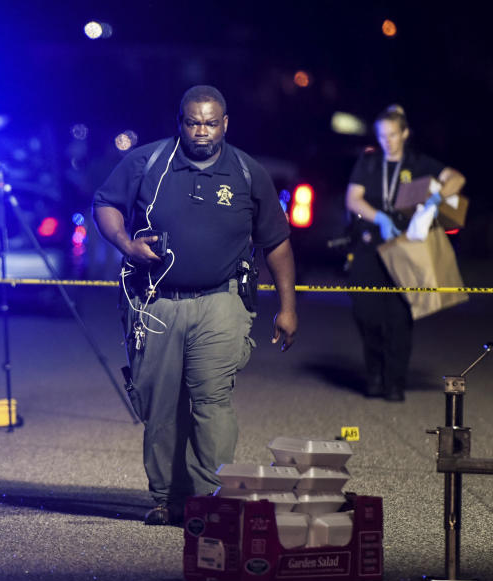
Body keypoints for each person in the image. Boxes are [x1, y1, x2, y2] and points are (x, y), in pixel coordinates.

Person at [93, 85, 297, 526]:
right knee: (160, 404)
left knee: (211, 400)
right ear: (180, 122)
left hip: (220, 302)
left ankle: (209, 498)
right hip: (157, 304)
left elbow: (276, 242)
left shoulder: (246, 172)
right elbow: (105, 204)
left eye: (210, 122)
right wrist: (126, 244)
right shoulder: (148, 162)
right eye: (192, 122)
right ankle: (166, 498)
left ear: (225, 123)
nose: (201, 131)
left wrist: (288, 306)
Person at [344, 105, 464, 402]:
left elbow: (456, 179)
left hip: (405, 249)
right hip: (371, 247)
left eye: (393, 135)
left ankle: (394, 382)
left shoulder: (418, 163)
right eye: (382, 136)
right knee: (366, 313)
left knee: (400, 319)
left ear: (405, 133)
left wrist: (435, 200)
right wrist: (379, 217)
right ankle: (374, 373)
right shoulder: (369, 163)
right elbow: (353, 199)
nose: (388, 141)